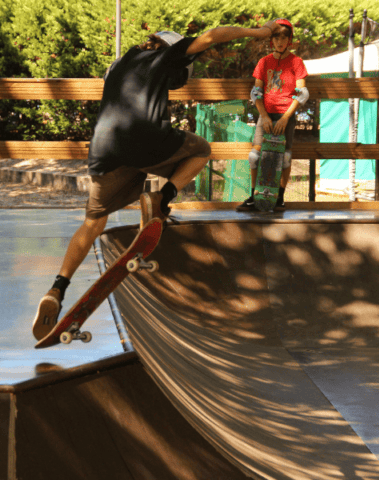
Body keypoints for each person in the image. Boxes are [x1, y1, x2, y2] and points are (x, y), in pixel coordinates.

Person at [32, 20, 282, 340]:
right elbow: (212, 36)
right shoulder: (165, 55)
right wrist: (257, 33)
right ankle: (160, 198)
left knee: (93, 222)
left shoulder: (120, 64)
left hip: (105, 153)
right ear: (169, 49)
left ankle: (57, 288)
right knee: (201, 150)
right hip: (146, 145)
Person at [237, 18, 308, 212]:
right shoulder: (264, 62)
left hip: (286, 116)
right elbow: (256, 92)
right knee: (254, 156)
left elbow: (302, 93)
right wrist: (264, 116)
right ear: (271, 39)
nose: (280, 41)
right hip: (265, 115)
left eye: (285, 37)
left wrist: (285, 118)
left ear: (290, 39)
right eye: (276, 36)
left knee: (284, 157)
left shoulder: (296, 62)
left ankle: (279, 198)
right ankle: (254, 196)